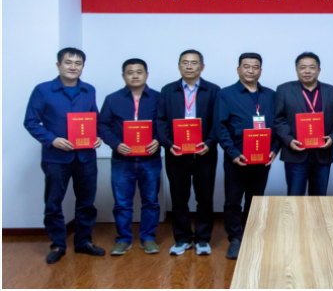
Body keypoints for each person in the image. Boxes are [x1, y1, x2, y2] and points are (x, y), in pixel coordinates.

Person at [24, 48, 105, 264]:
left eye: (78, 63)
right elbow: (31, 121)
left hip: (86, 157)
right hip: (56, 158)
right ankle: (58, 244)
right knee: (53, 203)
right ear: (58, 65)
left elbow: (94, 119)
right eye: (68, 62)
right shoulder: (43, 90)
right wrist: (52, 140)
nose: (73, 67)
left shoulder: (89, 90)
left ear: (83, 67)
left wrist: (97, 136)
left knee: (86, 203)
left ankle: (83, 242)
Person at [213, 53, 279, 260]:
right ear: (238, 69)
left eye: (255, 67)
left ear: (261, 70)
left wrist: (275, 149)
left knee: (256, 199)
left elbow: (279, 124)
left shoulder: (271, 95)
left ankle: (251, 234)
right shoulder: (226, 94)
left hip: (263, 158)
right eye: (246, 66)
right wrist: (232, 153)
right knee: (233, 200)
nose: (251, 70)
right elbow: (220, 127)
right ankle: (235, 238)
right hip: (237, 158)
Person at [156, 50, 220, 256]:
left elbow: (219, 121)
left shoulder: (213, 90)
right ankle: (182, 238)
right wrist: (168, 144)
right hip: (176, 154)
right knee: (178, 198)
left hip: (204, 154)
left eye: (194, 62)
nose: (189, 66)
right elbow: (160, 121)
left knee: (205, 197)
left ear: (202, 66)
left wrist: (209, 142)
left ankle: (202, 239)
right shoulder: (167, 90)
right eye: (185, 62)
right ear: (179, 66)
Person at [98, 58, 162, 256]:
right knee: (122, 203)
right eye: (130, 72)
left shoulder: (159, 98)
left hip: (150, 159)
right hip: (122, 160)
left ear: (147, 75)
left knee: (151, 201)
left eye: (139, 72)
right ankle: (124, 239)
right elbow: (102, 125)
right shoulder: (112, 99)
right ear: (123, 76)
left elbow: (165, 123)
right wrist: (116, 144)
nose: (135, 76)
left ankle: (148, 238)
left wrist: (158, 140)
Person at [274, 52, 333, 197]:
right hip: (295, 153)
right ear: (296, 70)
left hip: (322, 154)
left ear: (319, 70)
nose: (307, 71)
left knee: (319, 198)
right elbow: (279, 119)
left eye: (312, 67)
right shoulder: (284, 90)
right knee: (295, 197)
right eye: (303, 67)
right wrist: (289, 140)